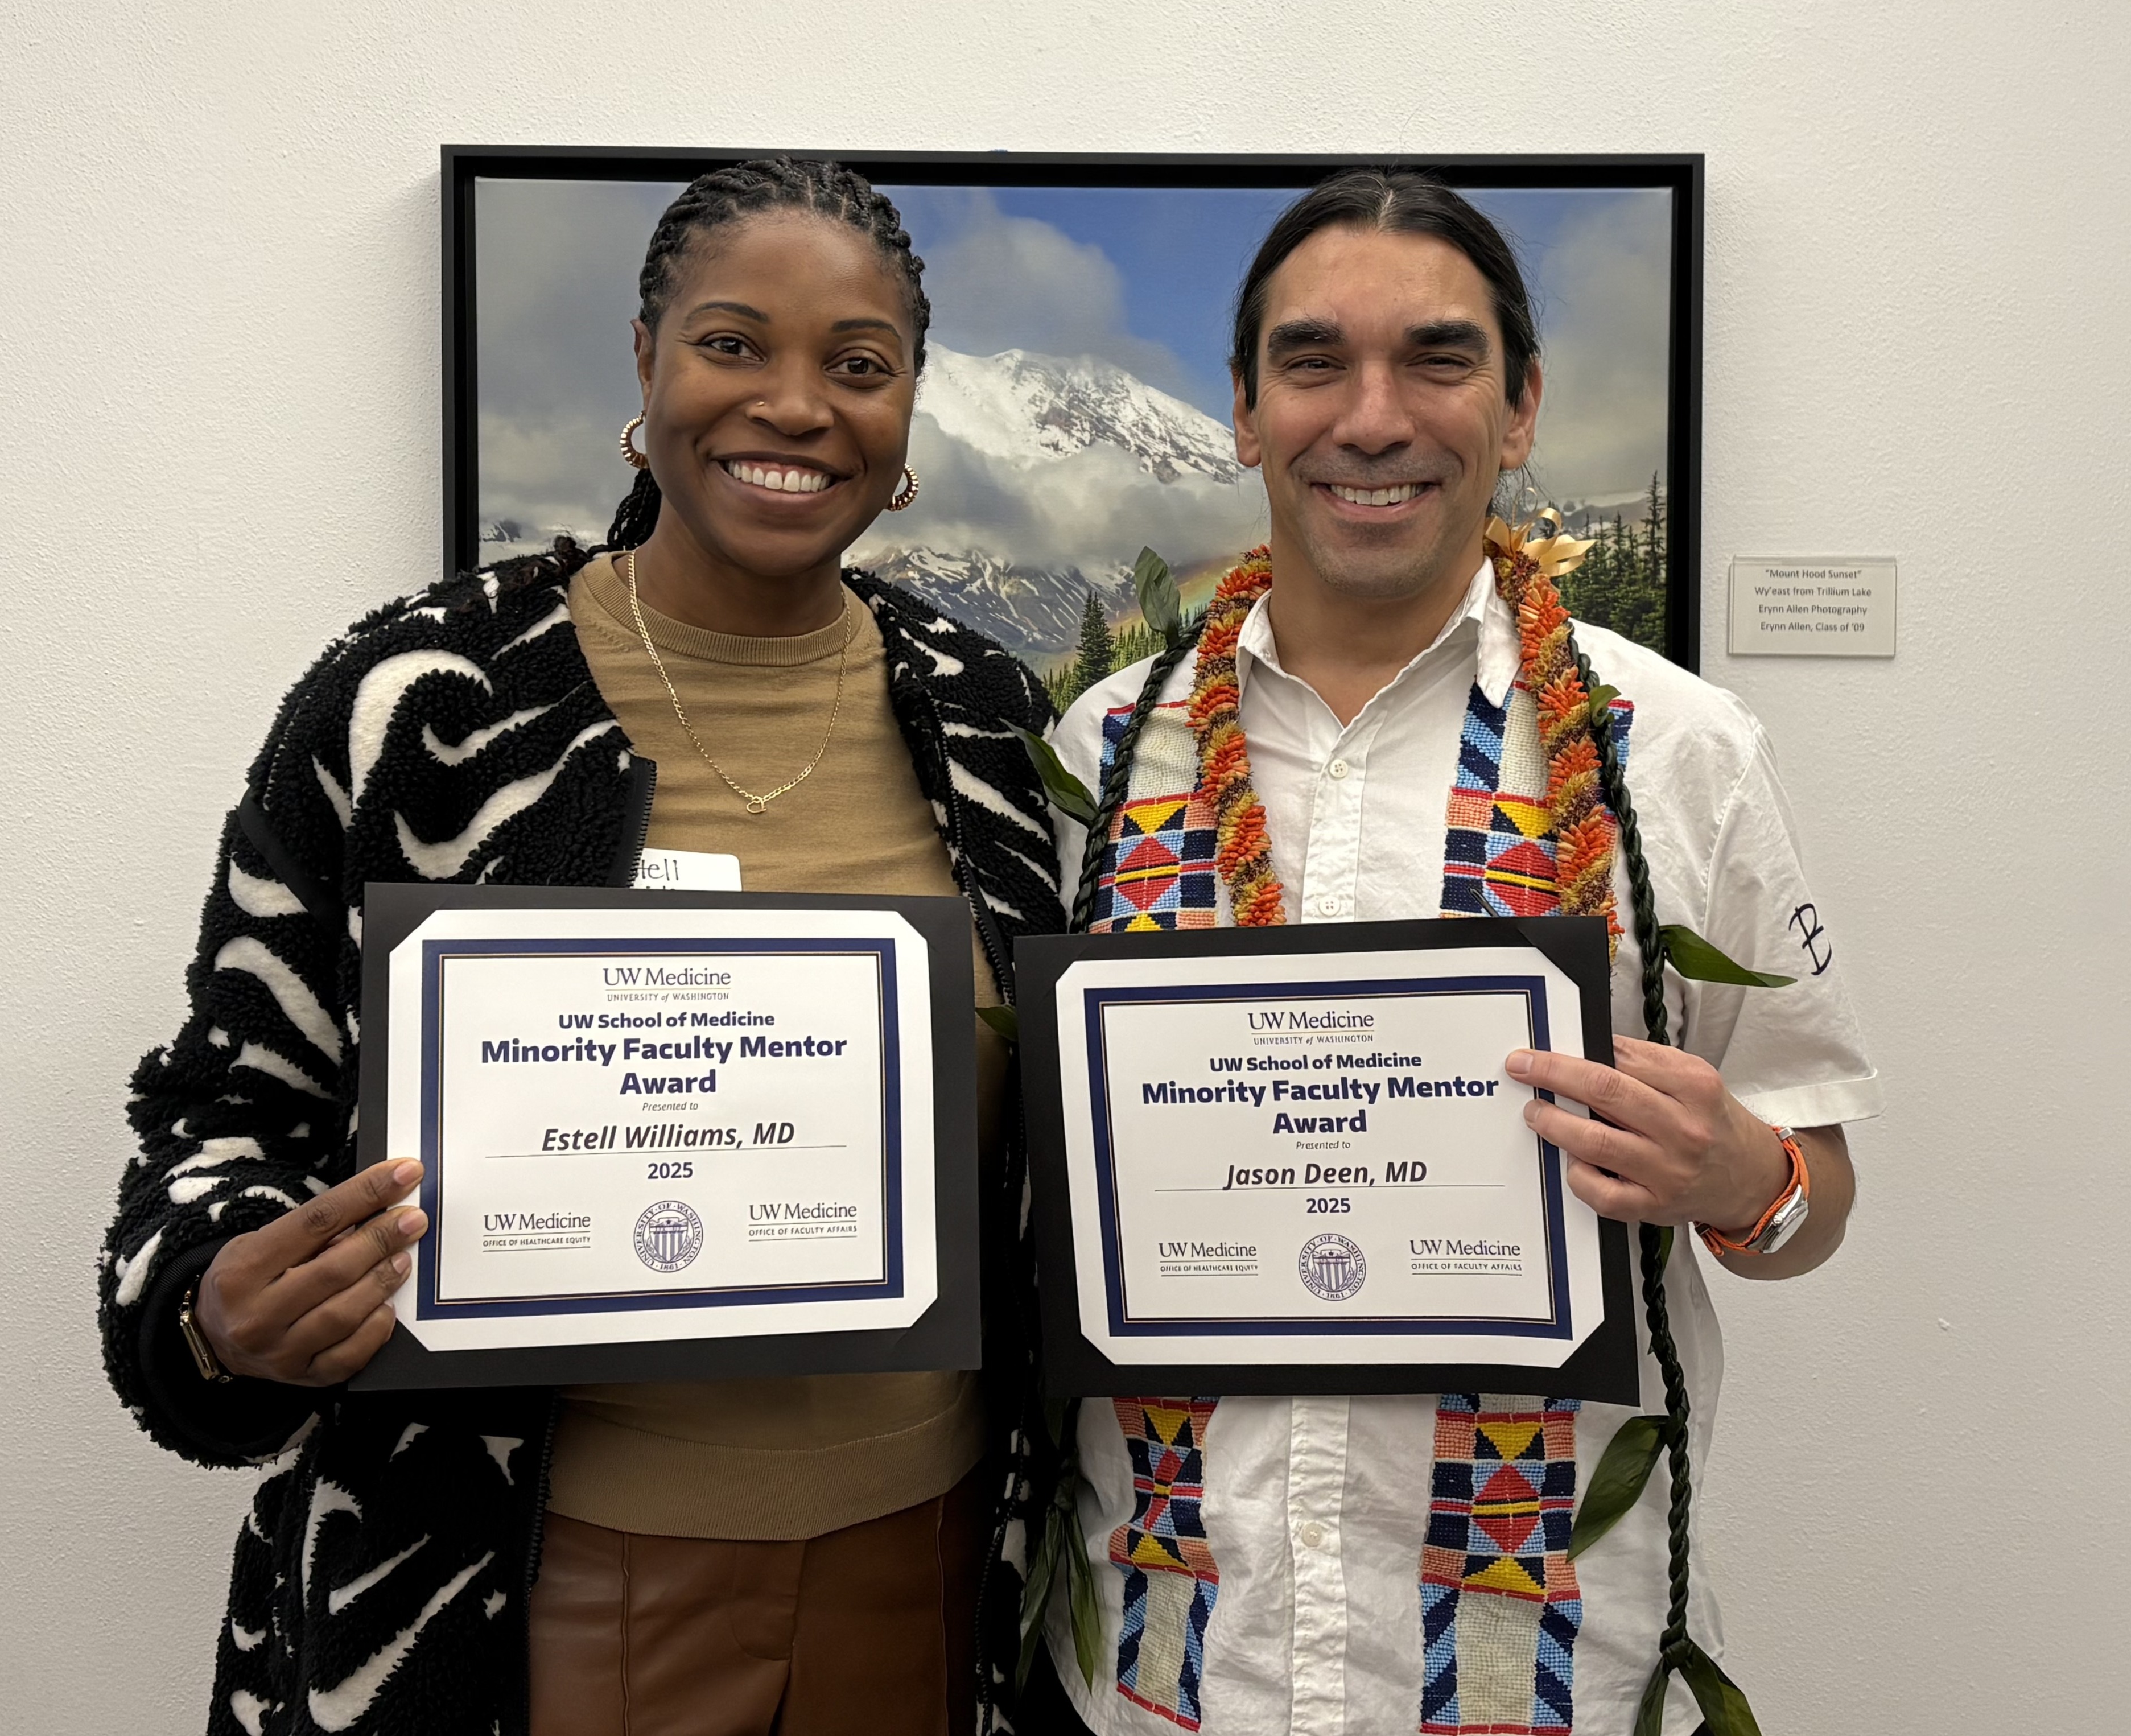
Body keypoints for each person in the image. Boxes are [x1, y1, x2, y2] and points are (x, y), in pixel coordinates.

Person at [98, 158, 1063, 1736]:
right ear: (644, 364)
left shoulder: (992, 719)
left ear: (908, 417)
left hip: (928, 1576)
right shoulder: (426, 698)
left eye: (859, 365)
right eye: (734, 343)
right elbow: (220, 1115)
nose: (795, 404)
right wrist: (215, 1307)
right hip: (509, 1589)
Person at [1033, 170, 1882, 1736]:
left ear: (1519, 405)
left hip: (1548, 1665)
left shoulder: (1673, 751)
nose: (1371, 417)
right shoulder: (1104, 746)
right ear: (1238, 408)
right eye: (1310, 362)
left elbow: (1808, 1202)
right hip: (1175, 1661)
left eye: (1434, 358)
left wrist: (1738, 1177)